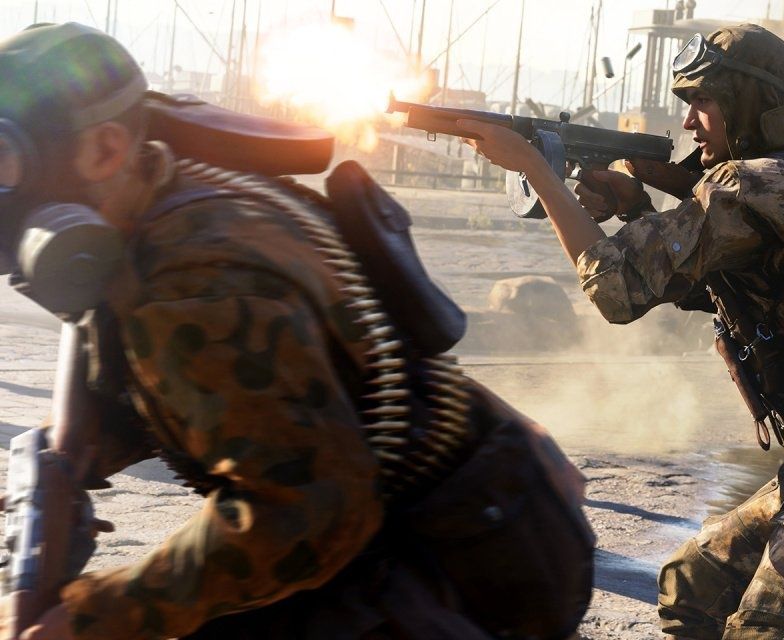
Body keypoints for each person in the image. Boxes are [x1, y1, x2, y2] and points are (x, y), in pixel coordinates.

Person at [0, 23, 592, 640]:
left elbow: (304, 516)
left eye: (5, 157)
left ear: (104, 150)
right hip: (457, 530)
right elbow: (243, 388)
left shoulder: (192, 282)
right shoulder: (189, 201)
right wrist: (72, 461)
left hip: (440, 575)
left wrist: (92, 617)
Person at [462, 23, 784, 639]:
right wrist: (635, 207)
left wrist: (535, 170)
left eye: (703, 103)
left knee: (768, 629)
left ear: (746, 102)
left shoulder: (753, 182)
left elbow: (616, 288)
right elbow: (725, 288)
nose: (688, 124)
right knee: (694, 586)